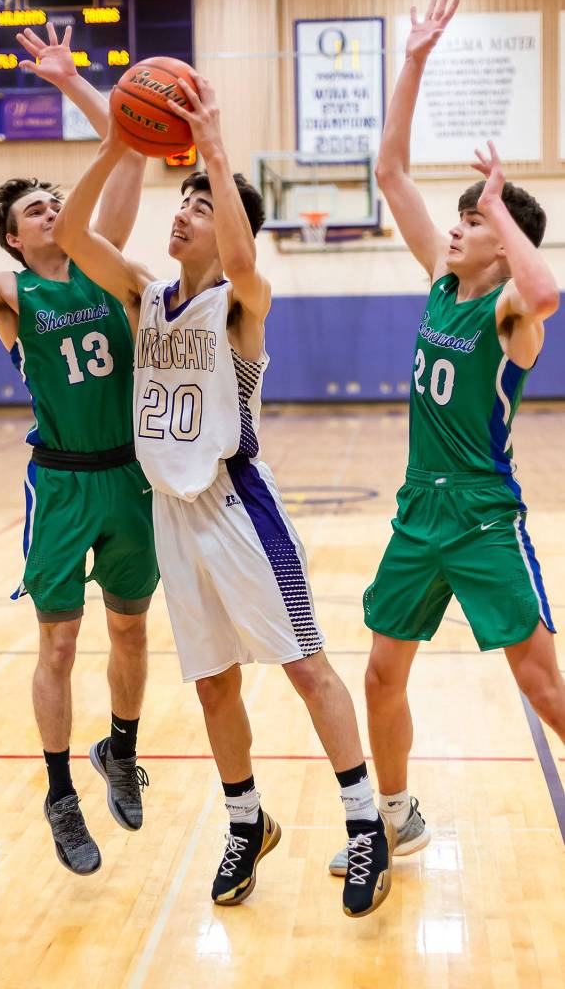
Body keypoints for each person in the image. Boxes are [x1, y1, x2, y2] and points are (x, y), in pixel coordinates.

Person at [52, 73, 393, 918]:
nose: (181, 214)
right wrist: (115, 144)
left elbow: (242, 258)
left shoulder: (240, 303)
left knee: (304, 667)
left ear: (227, 222)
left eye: (198, 206)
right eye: (183, 203)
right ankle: (246, 823)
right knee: (211, 686)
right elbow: (66, 233)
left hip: (238, 506)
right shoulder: (142, 294)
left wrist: (213, 148)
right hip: (172, 516)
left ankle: (364, 828)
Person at [0, 24, 159, 877]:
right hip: (61, 483)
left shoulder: (101, 257)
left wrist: (71, 79)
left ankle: (119, 748)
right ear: (13, 237)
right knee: (58, 645)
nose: (53, 210)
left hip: (130, 475)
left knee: (130, 632)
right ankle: (60, 792)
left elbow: (128, 153)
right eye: (36, 210)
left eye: (55, 201)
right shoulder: (8, 290)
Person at [329, 0, 565, 878]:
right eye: (463, 218)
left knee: (541, 687)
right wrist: (415, 59)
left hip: (480, 518)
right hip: (415, 513)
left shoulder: (512, 313)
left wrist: (501, 210)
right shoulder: (440, 284)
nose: (456, 227)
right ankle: (394, 818)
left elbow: (543, 293)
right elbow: (391, 173)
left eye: (472, 223)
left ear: (500, 245)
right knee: (382, 675)